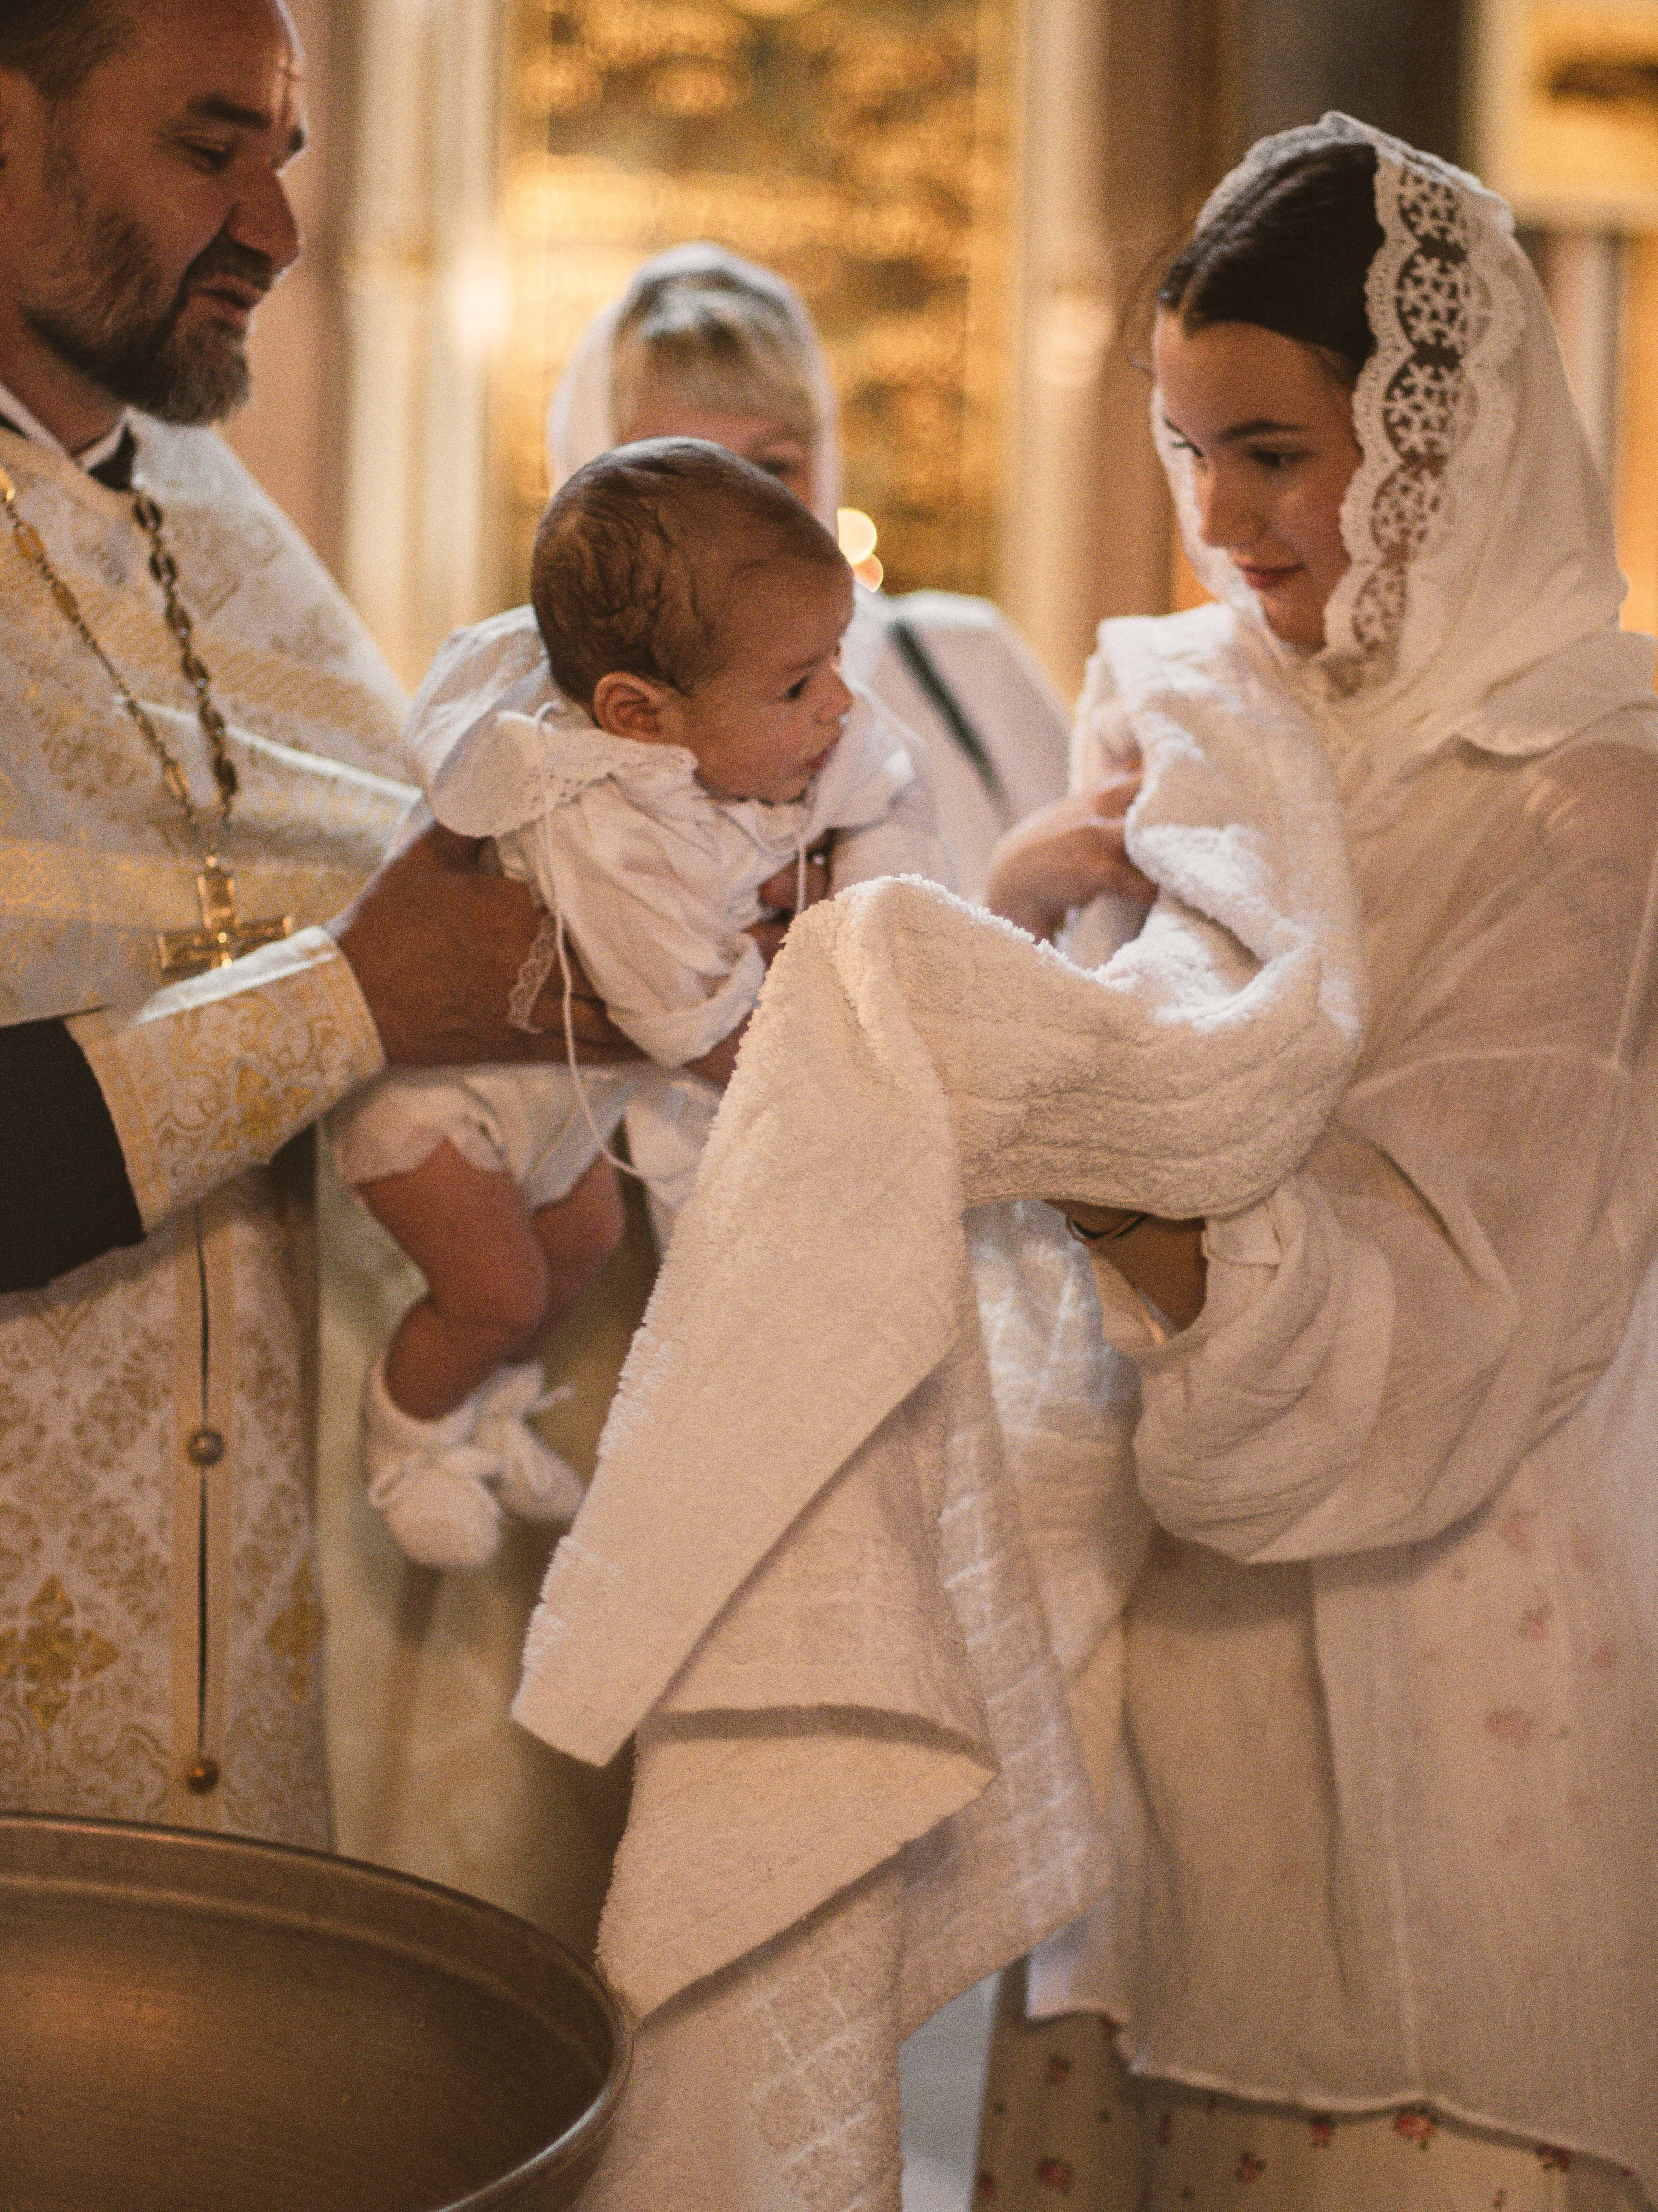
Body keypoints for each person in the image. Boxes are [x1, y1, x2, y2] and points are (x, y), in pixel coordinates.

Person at [971, 117, 1658, 2209]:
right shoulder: (1192, 721)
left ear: (1440, 438)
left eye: (1272, 450)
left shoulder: (1581, 802)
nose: (1217, 519)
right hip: (1148, 1740)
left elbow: (1445, 1324)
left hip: (1437, 1710)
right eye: (1188, 450)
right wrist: (1014, 929)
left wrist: (1094, 1139)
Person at [0, 0, 624, 1843]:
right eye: (209, 148)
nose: (275, 227)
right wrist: (347, 1003)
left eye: (281, 155)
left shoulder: (226, 533)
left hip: (256, 1751)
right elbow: (363, 987)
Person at [333, 440, 943, 1566]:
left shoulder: (739, 736)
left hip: (551, 1099)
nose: (839, 701)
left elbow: (889, 789)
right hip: (438, 1101)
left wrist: (865, 895)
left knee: (583, 1242)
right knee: (500, 1289)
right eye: (799, 685)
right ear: (638, 714)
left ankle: (494, 1406)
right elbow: (697, 1030)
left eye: (836, 658)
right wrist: (843, 1054)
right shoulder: (611, 827)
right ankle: (410, 1440)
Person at [549, 242, 1072, 901]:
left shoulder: (968, 664)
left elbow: (1110, 938)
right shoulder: (534, 732)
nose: (738, 517)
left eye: (771, 467)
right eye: (678, 470)